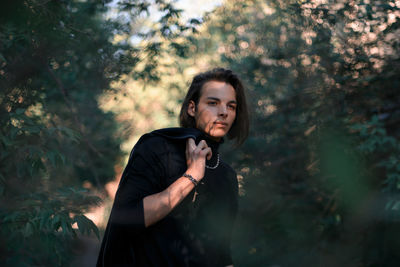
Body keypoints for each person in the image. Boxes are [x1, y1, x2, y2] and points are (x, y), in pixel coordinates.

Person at [96, 68, 249, 267]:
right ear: (192, 108)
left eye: (231, 106)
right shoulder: (157, 147)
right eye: (213, 103)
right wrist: (192, 175)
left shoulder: (226, 175)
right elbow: (129, 218)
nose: (223, 112)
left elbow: (222, 251)